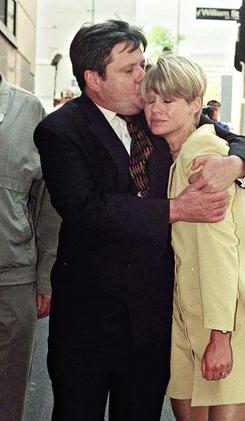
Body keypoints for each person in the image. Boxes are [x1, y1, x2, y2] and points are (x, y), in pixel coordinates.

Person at [33, 20, 245, 421]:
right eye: (130, 69)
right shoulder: (60, 130)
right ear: (93, 79)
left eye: (143, 64)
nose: (143, 78)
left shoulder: (155, 115)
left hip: (152, 324)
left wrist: (236, 163)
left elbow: (232, 139)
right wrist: (176, 209)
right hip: (87, 325)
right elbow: (86, 209)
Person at [142, 54, 245, 421]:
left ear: (195, 105)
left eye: (168, 101)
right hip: (189, 322)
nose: (156, 109)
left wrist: (220, 337)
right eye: (150, 100)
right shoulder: (173, 153)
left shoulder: (203, 154)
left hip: (225, 322)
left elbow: (220, 250)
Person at [0, 73, 60, 421]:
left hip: (13, 280)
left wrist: (44, 277)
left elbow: (48, 205)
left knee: (8, 400)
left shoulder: (29, 109)